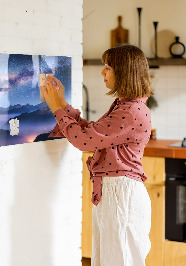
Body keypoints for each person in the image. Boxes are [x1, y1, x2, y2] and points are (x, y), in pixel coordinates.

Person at [41, 44, 153, 266]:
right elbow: (92, 133)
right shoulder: (126, 106)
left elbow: (84, 141)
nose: (102, 72)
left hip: (121, 195)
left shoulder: (130, 111)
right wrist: (62, 104)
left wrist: (56, 108)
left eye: (108, 67)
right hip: (116, 193)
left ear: (124, 72)